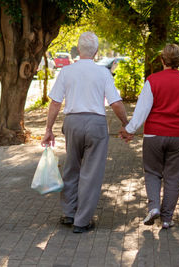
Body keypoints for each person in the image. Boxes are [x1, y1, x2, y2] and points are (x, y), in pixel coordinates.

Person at [41, 32, 128, 233]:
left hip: (72, 122)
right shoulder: (103, 73)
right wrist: (126, 124)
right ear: (96, 52)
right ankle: (82, 221)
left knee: (71, 167)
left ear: (78, 50)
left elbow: (55, 103)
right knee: (91, 173)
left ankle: (69, 213)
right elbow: (115, 103)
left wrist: (48, 130)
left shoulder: (66, 72)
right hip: (96, 124)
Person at [119, 44, 179, 229]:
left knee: (152, 172)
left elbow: (142, 110)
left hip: (153, 135)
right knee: (173, 177)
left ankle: (154, 207)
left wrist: (130, 130)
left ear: (162, 60)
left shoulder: (152, 80)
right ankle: (166, 219)